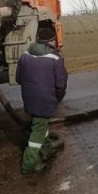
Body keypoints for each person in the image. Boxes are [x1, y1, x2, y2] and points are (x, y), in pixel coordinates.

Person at [16, 25, 68, 173]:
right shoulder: (56, 59)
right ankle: (29, 163)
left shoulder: (25, 55)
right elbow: (61, 84)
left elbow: (18, 78)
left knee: (39, 124)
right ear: (52, 41)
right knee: (37, 131)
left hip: (29, 99)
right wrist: (57, 98)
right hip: (45, 101)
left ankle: (46, 150)